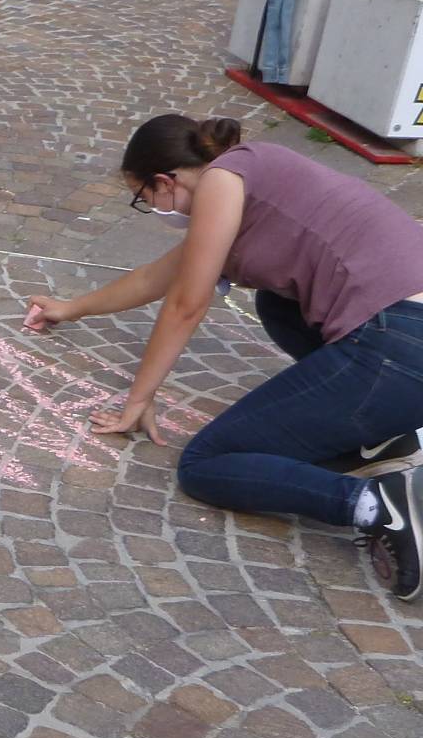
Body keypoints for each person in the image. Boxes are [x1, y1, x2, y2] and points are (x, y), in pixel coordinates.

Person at [25, 115, 423, 602]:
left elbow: (186, 304)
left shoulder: (221, 180)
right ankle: (381, 438)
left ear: (165, 181)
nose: (151, 210)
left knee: (207, 462)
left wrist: (139, 397)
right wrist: (72, 308)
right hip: (404, 339)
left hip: (399, 344)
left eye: (143, 199)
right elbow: (158, 277)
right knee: (276, 303)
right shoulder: (252, 177)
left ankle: (377, 505)